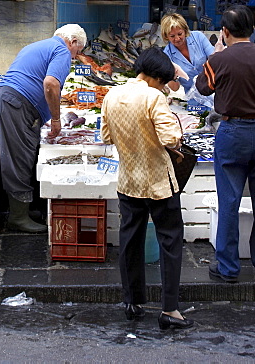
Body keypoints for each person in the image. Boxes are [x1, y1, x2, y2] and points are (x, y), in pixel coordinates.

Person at [195, 5, 255, 282]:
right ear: (253, 29)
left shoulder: (219, 61)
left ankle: (228, 268)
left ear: (224, 32)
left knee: (229, 202)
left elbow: (203, 87)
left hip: (232, 132)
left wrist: (215, 56)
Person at [101, 47, 193, 330]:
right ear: (155, 77)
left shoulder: (112, 95)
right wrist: (176, 134)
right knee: (170, 242)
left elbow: (106, 135)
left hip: (128, 179)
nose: (164, 86)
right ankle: (169, 309)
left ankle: (132, 302)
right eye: (163, 81)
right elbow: (171, 138)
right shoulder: (154, 96)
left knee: (130, 240)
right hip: (158, 182)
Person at [0, 24, 87, 232]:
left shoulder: (38, 46)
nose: (76, 57)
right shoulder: (61, 51)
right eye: (78, 52)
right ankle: (18, 217)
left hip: (1, 99)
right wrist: (56, 118)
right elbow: (51, 84)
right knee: (19, 158)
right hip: (15, 105)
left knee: (13, 155)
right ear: (73, 42)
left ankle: (23, 208)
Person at [160, 13, 218, 95]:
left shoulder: (198, 37)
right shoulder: (167, 55)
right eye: (172, 36)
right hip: (193, 97)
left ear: (185, 30)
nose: (177, 39)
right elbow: (174, 88)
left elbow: (215, 59)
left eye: (180, 34)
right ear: (166, 36)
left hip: (214, 91)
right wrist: (173, 76)